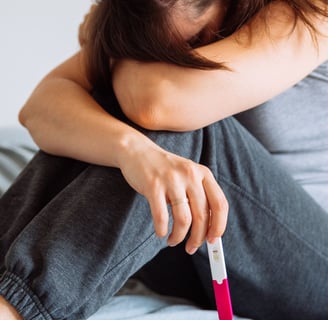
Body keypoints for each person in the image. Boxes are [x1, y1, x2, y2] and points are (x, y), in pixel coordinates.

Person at [0, 0, 328, 319]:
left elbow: (157, 103)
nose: (173, 58)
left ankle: (16, 308)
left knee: (177, 128)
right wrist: (131, 151)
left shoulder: (311, 11)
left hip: (308, 269)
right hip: (198, 246)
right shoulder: (144, 15)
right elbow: (40, 109)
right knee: (93, 123)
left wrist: (120, 59)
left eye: (193, 43)